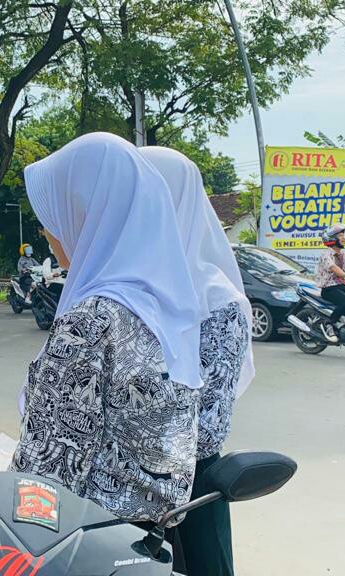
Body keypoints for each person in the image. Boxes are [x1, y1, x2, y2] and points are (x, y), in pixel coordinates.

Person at [10, 133, 203, 528]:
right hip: (146, 539)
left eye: (53, 217)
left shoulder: (93, 320)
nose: (48, 233)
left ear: (86, 214)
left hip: (84, 541)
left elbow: (46, 475)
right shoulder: (164, 305)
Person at [141, 147, 255, 576]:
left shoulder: (219, 301)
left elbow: (207, 428)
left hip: (190, 496)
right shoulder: (127, 289)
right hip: (121, 496)